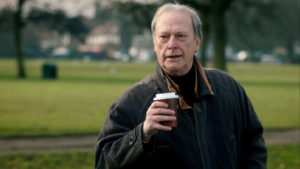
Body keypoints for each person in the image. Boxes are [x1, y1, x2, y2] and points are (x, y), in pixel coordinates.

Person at [95, 3, 267, 169]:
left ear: (197, 43)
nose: (171, 44)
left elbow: (253, 147)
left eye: (180, 36)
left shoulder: (228, 89)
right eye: (164, 37)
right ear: (155, 44)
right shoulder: (132, 102)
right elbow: (103, 162)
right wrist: (143, 133)